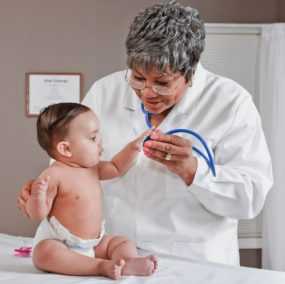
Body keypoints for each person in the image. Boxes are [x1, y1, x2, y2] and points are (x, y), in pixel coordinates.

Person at [18, 0, 273, 266]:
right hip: (112, 255)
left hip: (194, 262)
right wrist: (45, 192)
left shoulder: (230, 103)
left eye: (162, 83)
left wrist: (193, 171)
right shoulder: (105, 92)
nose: (148, 92)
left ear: (191, 73)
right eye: (138, 78)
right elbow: (69, 165)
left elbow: (250, 199)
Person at [24, 102, 157, 279]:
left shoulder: (93, 168)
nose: (100, 142)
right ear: (66, 148)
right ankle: (101, 266)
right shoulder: (53, 175)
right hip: (62, 242)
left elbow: (116, 167)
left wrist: (133, 148)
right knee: (44, 253)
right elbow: (38, 215)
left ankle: (127, 261)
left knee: (122, 242)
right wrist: (37, 197)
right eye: (93, 138)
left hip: (95, 243)